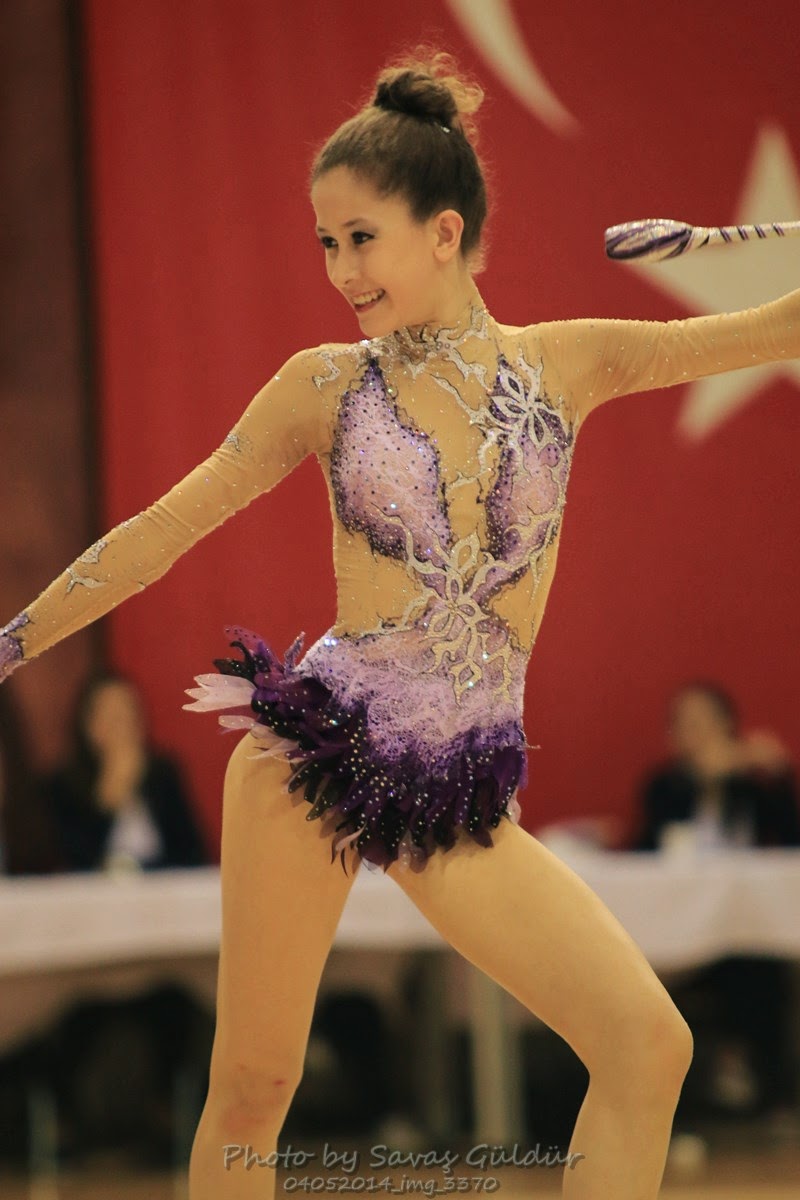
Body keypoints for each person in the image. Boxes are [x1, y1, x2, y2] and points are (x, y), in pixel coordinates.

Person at [1, 47, 799, 1198]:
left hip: (454, 786)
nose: (339, 270)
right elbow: (164, 528)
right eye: (324, 242)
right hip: (318, 754)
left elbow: (769, 329)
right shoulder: (323, 385)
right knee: (253, 1085)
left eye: (360, 238)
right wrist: (14, 640)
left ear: (443, 231)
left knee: (645, 1045)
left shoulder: (570, 363)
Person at [631, 681, 800, 1125]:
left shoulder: (754, 783)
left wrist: (780, 777)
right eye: (684, 724)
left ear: (729, 727)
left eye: (705, 722)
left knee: (760, 969)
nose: (696, 733)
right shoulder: (665, 785)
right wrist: (702, 783)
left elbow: (789, 840)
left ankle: (770, 1093)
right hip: (677, 932)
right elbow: (647, 847)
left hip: (744, 925)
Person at [41, 669, 209, 871]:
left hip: (162, 882)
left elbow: (193, 852)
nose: (120, 725)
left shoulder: (162, 773)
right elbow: (72, 859)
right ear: (87, 723)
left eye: (126, 713)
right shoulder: (63, 784)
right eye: (110, 716)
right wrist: (111, 796)